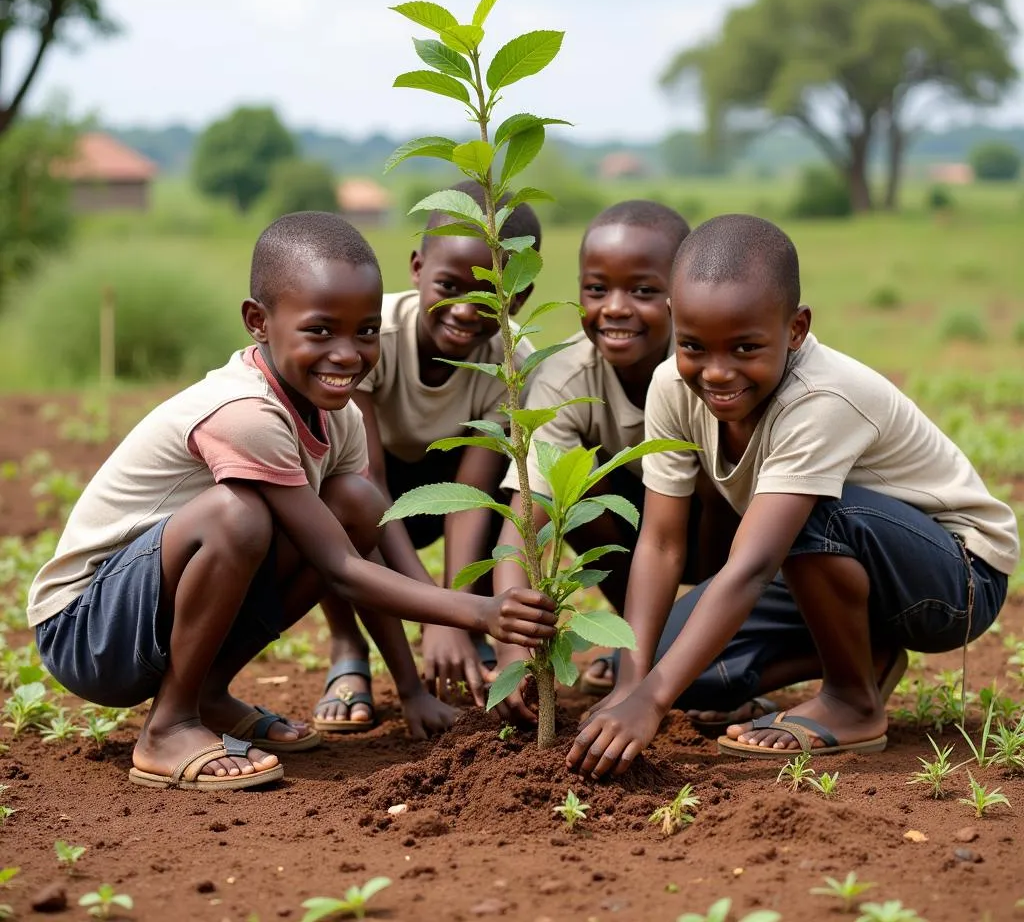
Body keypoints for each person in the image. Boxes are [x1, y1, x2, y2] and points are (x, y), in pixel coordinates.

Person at [27, 211, 556, 792]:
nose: (347, 354)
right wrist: (475, 611)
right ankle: (168, 726)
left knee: (354, 501)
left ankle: (204, 694)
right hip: (86, 631)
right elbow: (340, 569)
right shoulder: (244, 413)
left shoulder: (342, 415)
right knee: (237, 516)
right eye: (320, 331)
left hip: (153, 616)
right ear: (259, 322)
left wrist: (410, 691)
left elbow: (362, 538)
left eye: (365, 331)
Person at [567, 213, 1018, 778]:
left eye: (745, 347)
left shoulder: (820, 398)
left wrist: (649, 703)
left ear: (797, 329)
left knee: (809, 515)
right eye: (694, 346)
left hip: (956, 578)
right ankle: (868, 654)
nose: (717, 372)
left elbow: (754, 563)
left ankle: (853, 701)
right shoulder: (671, 387)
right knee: (671, 668)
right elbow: (659, 545)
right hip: (824, 562)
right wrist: (636, 684)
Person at [312, 182, 542, 731]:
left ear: (518, 295)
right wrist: (430, 612)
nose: (465, 309)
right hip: (373, 480)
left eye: (489, 293)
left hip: (457, 485)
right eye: (448, 284)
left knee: (506, 503)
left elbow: (472, 496)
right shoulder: (372, 336)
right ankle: (347, 648)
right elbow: (370, 478)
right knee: (333, 508)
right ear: (417, 268)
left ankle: (477, 643)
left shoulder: (513, 361)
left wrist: (455, 613)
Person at [488, 200, 731, 717]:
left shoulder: (717, 370)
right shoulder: (566, 379)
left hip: (724, 538)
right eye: (597, 289)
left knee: (714, 476)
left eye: (643, 291)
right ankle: (638, 643)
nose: (615, 307)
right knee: (574, 488)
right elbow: (522, 531)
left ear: (682, 294)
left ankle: (713, 651)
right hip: (645, 539)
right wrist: (513, 655)